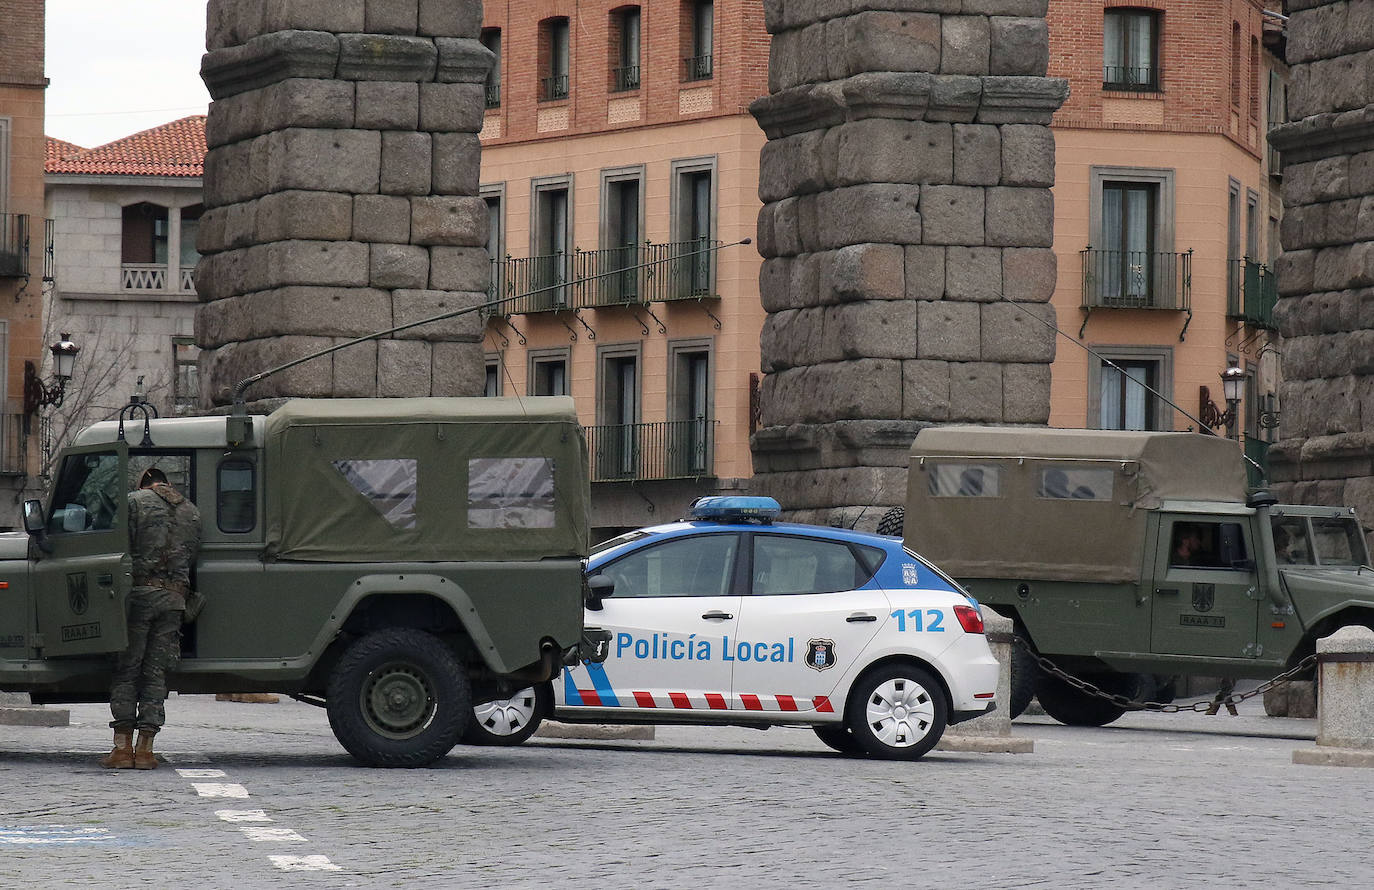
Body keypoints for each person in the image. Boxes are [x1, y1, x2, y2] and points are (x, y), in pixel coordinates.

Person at [100, 468, 201, 770]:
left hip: (139, 598)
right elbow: (192, 556)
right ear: (167, 485)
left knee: (127, 669)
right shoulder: (192, 512)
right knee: (156, 673)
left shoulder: (133, 502)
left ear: (144, 485)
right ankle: (146, 751)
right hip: (174, 600)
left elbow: (119, 550)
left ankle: (121, 749)